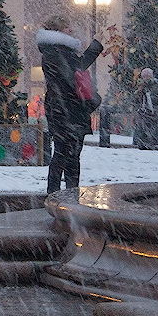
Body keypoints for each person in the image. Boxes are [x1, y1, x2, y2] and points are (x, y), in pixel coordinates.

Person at [37, 15, 103, 193]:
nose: (71, 30)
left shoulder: (58, 51)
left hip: (66, 108)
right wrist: (96, 44)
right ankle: (61, 195)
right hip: (65, 110)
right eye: (67, 27)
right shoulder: (55, 52)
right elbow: (77, 69)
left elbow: (75, 70)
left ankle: (65, 194)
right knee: (64, 154)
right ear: (58, 31)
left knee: (69, 154)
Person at [133, 66, 158, 151]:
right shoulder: (140, 85)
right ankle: (140, 140)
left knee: (154, 125)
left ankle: (155, 140)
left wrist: (149, 96)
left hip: (153, 109)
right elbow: (136, 99)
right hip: (143, 110)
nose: (146, 78)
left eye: (148, 76)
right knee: (141, 124)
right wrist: (139, 92)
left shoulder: (155, 85)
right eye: (144, 76)